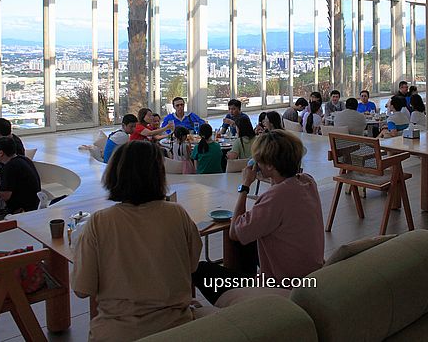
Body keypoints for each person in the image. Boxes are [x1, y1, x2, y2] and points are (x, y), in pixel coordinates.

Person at [72, 140, 203, 341]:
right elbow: (192, 265)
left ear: (115, 174)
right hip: (176, 328)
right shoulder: (177, 214)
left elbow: (82, 289)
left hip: (118, 332)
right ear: (159, 175)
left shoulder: (99, 223)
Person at [193, 130, 324, 305]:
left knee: (200, 270)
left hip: (283, 285)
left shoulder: (276, 198)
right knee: (248, 238)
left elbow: (234, 233)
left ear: (269, 165)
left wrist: (245, 186)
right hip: (310, 277)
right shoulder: (307, 181)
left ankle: (248, 300)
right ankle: (248, 289)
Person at [0, 137, 41, 220]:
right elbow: (14, 181)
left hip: (17, 209)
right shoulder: (24, 159)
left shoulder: (9, 167)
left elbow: (4, 196)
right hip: (33, 203)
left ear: (1, 153)